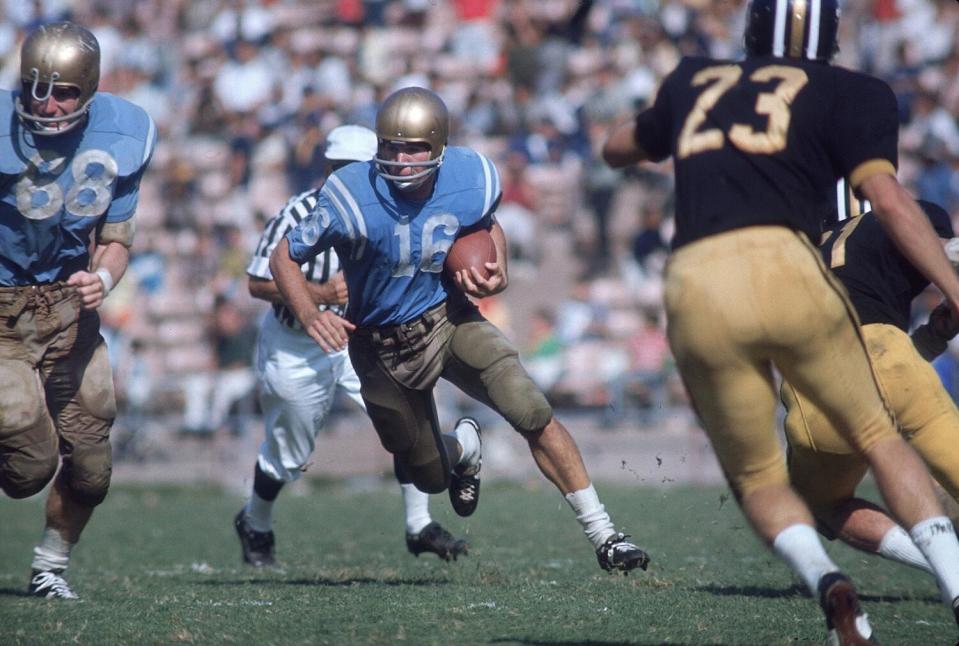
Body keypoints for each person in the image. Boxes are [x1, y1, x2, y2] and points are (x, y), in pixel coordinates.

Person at [602, 0, 959, 642]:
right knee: (883, 441)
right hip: (800, 283)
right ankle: (955, 582)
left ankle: (825, 576)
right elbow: (892, 201)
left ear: (751, 30)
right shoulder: (854, 94)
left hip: (700, 284)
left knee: (764, 480)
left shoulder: (693, 76)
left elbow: (615, 148)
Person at [270, 86, 649, 574]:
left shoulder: (472, 175)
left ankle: (605, 535)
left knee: (531, 409)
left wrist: (501, 266)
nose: (401, 159)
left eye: (413, 147)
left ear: (439, 147)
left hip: (447, 318)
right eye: (391, 146)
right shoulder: (347, 195)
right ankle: (465, 447)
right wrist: (309, 312)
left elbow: (488, 225)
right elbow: (285, 256)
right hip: (379, 345)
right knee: (427, 475)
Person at [235, 124, 468, 566]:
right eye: (339, 169)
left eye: (355, 169)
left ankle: (419, 524)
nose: (346, 178)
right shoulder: (298, 211)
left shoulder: (392, 211)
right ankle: (255, 522)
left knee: (407, 424)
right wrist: (319, 296)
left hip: (360, 342)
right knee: (290, 455)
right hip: (298, 344)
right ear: (327, 169)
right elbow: (257, 282)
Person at [0, 22, 157, 599]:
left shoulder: (126, 129)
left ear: (89, 89)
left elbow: (116, 237)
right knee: (28, 467)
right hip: (1, 311)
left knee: (92, 463)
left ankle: (49, 567)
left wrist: (105, 278)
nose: (47, 102)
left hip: (69, 310)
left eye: (63, 90)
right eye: (35, 87)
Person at [783, 200, 959, 581]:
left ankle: (947, 565)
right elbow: (949, 252)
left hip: (812, 392)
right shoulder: (895, 212)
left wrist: (931, 337)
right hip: (892, 359)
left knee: (823, 506)